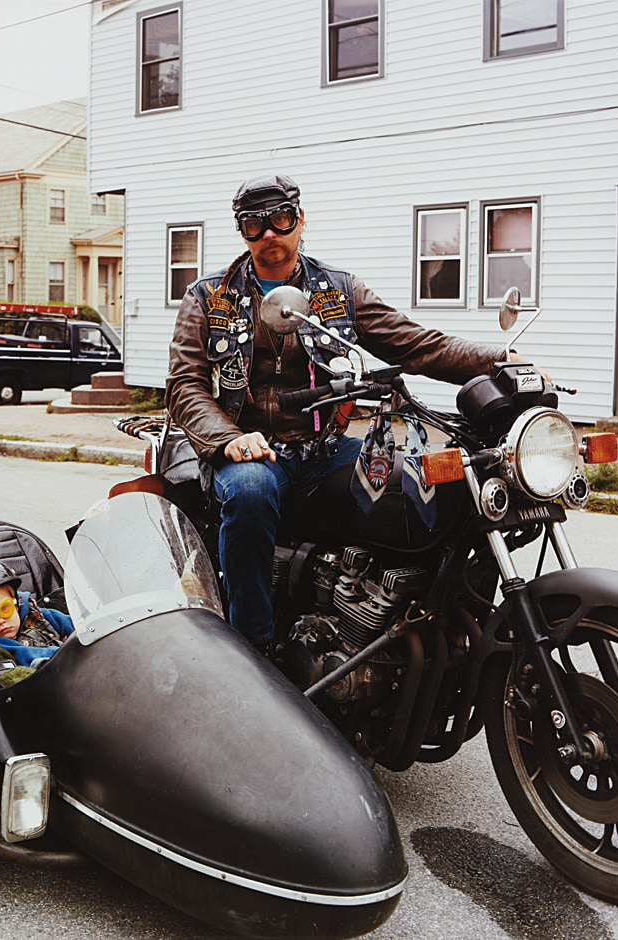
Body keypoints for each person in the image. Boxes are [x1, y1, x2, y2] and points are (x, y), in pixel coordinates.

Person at [166, 174, 508, 649]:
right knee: (249, 492)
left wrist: (504, 362)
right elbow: (185, 385)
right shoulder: (208, 298)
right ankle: (251, 648)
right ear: (242, 232)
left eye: (281, 219)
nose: (270, 234)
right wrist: (227, 439)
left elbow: (418, 345)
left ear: (300, 220)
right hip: (249, 452)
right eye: (254, 225)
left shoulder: (339, 290)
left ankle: (400, 624)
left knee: (427, 484)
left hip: (325, 450)